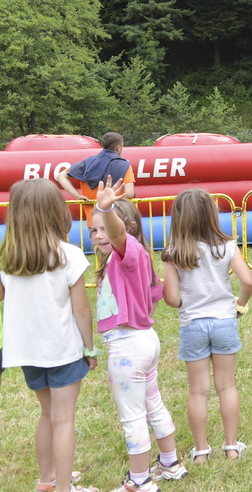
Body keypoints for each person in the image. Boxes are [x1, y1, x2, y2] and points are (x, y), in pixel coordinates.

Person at [0, 179, 98, 492]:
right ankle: (65, 488)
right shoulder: (68, 254)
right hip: (63, 349)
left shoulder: (8, 259)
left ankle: (48, 480)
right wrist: (90, 348)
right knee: (63, 419)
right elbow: (81, 310)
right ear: (56, 212)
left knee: (47, 415)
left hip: (26, 351)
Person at [91, 177, 187, 492]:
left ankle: (140, 481)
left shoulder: (128, 253)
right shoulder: (130, 260)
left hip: (128, 349)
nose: (99, 234)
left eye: (105, 227)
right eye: (94, 229)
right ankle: (170, 464)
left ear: (127, 227)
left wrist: (106, 208)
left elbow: (117, 234)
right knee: (151, 404)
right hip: (143, 342)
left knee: (132, 416)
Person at [160, 189, 252, 463]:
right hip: (224, 321)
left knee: (197, 390)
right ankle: (231, 446)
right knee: (227, 386)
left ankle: (201, 450)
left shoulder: (173, 253)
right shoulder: (227, 246)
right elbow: (248, 282)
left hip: (193, 325)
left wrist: (184, 302)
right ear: (211, 216)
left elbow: (171, 298)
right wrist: (240, 304)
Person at [55, 132, 136, 226]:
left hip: (94, 221)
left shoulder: (87, 163)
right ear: (118, 147)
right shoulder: (124, 165)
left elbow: (61, 176)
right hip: (118, 219)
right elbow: (130, 193)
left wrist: (77, 196)